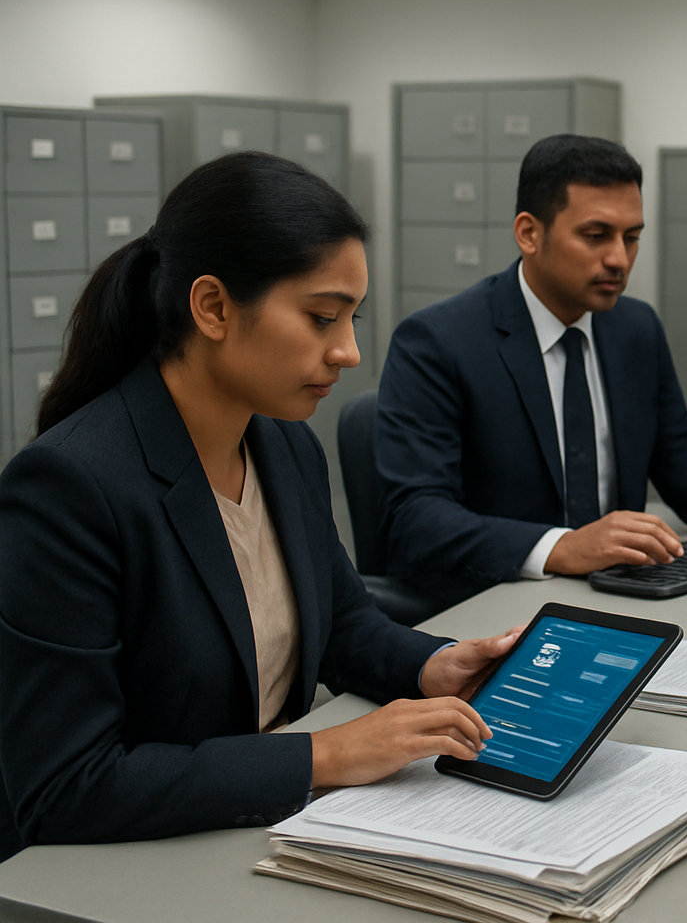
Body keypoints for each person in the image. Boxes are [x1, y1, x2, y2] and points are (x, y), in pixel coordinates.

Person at [0, 153, 521, 863]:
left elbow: (340, 624)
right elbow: (66, 786)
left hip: (273, 827)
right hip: (152, 857)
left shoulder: (283, 445)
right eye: (321, 318)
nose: (348, 351)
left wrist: (436, 664)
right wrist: (324, 755)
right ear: (213, 307)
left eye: (351, 318)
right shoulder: (69, 487)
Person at [375, 134, 687, 601]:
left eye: (632, 238)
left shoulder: (635, 328)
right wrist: (561, 547)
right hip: (499, 600)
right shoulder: (438, 342)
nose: (619, 259)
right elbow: (414, 519)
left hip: (623, 593)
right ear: (529, 234)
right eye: (595, 236)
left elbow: (677, 449)